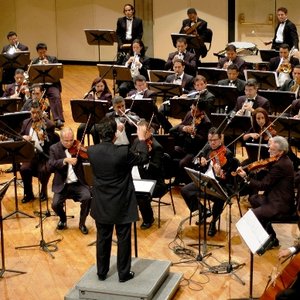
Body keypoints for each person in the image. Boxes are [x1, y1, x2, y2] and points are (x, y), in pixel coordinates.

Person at [87, 116, 149, 282]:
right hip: (121, 201)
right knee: (123, 238)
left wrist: (115, 133)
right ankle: (123, 274)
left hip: (101, 202)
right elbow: (143, 158)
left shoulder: (91, 151)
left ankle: (101, 272)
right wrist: (141, 138)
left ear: (100, 134)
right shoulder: (123, 152)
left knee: (103, 238)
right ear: (114, 133)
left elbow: (106, 149)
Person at [236, 136, 295, 248]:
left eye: (272, 150)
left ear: (281, 151)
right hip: (274, 197)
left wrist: (246, 177)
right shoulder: (281, 160)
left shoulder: (280, 165)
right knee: (253, 199)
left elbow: (263, 185)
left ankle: (268, 240)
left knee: (253, 214)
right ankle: (271, 236)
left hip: (280, 204)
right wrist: (260, 170)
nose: (268, 151)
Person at [181, 127, 239, 236]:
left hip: (220, 185)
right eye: (210, 140)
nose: (212, 143)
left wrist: (219, 174)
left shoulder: (228, 154)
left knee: (219, 198)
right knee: (185, 191)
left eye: (215, 140)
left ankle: (213, 222)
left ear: (220, 139)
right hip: (205, 180)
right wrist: (200, 163)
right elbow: (200, 168)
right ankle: (203, 211)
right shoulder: (207, 149)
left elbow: (229, 178)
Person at [48, 127, 91, 234]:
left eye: (71, 140)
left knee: (87, 197)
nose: (69, 143)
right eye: (66, 141)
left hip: (78, 183)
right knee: (55, 204)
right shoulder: (54, 148)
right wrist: (65, 160)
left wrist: (84, 150)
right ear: (61, 139)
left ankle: (82, 223)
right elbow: (51, 165)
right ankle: (63, 219)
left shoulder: (77, 148)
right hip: (62, 184)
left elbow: (89, 157)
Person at [131, 120, 166, 229]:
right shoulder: (137, 141)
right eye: (139, 131)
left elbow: (156, 167)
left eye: (144, 132)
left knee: (141, 195)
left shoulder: (156, 147)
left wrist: (146, 161)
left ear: (150, 131)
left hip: (155, 182)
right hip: (139, 177)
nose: (141, 135)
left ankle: (148, 219)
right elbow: (131, 157)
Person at [20, 101, 56, 203]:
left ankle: (43, 191)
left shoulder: (49, 125)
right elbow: (20, 135)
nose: (34, 115)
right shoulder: (26, 122)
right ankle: (29, 193)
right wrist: (24, 137)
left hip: (44, 156)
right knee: (23, 169)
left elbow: (51, 146)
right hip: (31, 155)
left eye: (37, 112)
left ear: (42, 111)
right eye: (32, 112)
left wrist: (42, 140)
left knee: (44, 170)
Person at [170, 100, 212, 184]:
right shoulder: (189, 114)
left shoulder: (206, 122)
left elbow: (202, 141)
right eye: (191, 109)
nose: (192, 112)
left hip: (195, 151)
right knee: (170, 152)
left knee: (183, 163)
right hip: (184, 146)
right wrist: (184, 128)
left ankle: (184, 180)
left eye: (195, 111)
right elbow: (177, 127)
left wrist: (194, 134)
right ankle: (173, 176)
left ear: (202, 111)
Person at [32, 43, 65, 128]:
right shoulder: (34, 61)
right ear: (37, 52)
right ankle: (36, 116)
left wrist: (49, 65)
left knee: (56, 96)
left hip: (52, 84)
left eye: (44, 51)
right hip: (40, 85)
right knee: (35, 95)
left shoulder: (53, 59)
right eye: (40, 52)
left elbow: (58, 73)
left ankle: (58, 119)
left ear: (46, 50)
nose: (42, 54)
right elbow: (32, 75)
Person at [76, 77, 112, 145]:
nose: (100, 88)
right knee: (80, 129)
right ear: (94, 87)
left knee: (94, 130)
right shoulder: (91, 95)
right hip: (91, 118)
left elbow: (103, 108)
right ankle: (80, 147)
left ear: (105, 86)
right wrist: (86, 99)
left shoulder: (108, 96)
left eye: (102, 86)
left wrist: (94, 98)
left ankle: (97, 147)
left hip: (102, 119)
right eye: (98, 86)